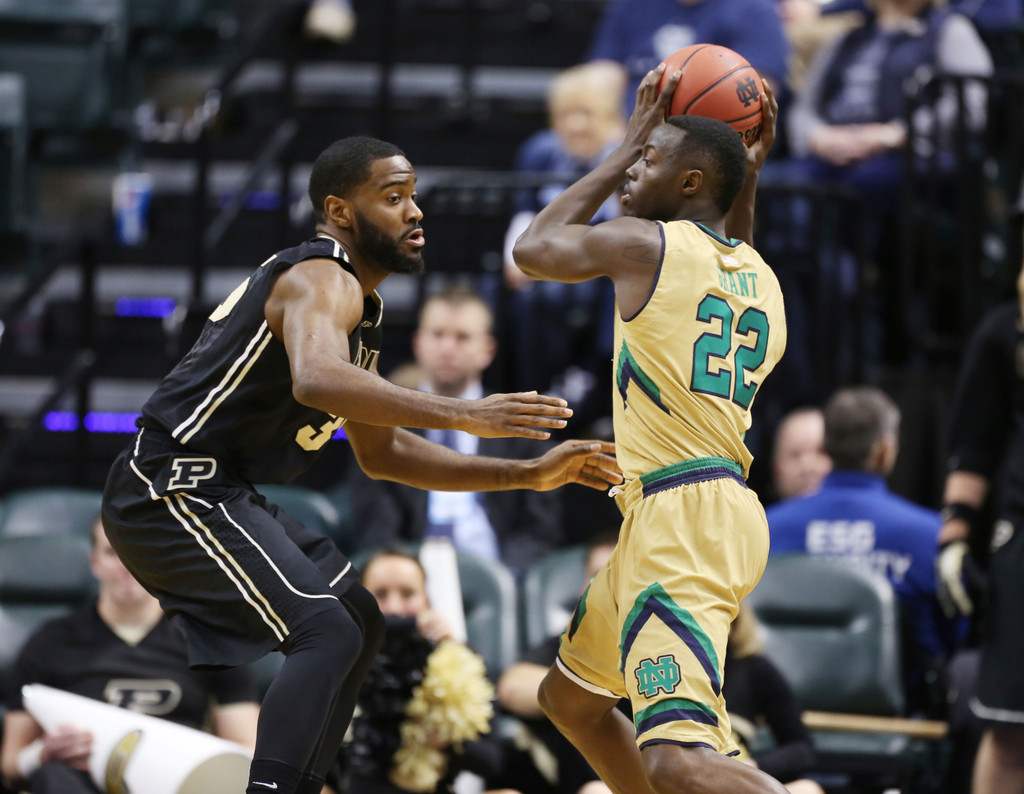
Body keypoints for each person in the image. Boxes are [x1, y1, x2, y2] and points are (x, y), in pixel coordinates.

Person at [99, 135, 622, 794]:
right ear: (341, 211)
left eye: (414, 196)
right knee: (324, 629)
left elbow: (385, 452)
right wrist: (465, 414)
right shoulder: (323, 275)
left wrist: (527, 472)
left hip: (218, 487)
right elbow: (317, 381)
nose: (415, 212)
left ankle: (310, 782)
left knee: (359, 618)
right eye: (394, 197)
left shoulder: (359, 310)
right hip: (168, 484)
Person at [513, 63, 789, 794]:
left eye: (651, 160)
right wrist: (747, 174)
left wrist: (621, 140)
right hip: (684, 509)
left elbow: (534, 249)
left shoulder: (647, 246)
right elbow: (737, 233)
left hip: (685, 515)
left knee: (677, 758)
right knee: (568, 701)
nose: (637, 167)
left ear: (693, 183)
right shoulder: (760, 275)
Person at [0, 519, 259, 794]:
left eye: (140, 552)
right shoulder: (51, 641)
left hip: (176, 780)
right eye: (113, 553)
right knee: (53, 775)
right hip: (81, 781)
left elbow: (247, 751)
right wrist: (40, 755)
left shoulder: (209, 640)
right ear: (95, 562)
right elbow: (10, 766)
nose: (128, 566)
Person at [347, 289, 566, 576]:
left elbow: (539, 532)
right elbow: (375, 524)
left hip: (499, 580)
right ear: (418, 343)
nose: (448, 348)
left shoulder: (523, 429)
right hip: (410, 581)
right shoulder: (382, 421)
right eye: (438, 335)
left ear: (488, 351)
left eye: (462, 337)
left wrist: (502, 584)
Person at [766, 386, 953, 715]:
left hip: (780, 720)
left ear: (826, 447)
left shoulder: (765, 528)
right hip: (898, 721)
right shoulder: (931, 534)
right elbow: (953, 633)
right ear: (884, 451)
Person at [935, 232, 1024, 794]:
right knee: (1011, 726)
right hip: (1021, 538)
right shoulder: (1005, 330)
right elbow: (974, 443)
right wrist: (954, 537)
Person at [501, 62, 626, 412]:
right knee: (529, 297)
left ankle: (599, 391)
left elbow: (629, 224)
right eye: (566, 114)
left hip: (606, 267)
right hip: (553, 263)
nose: (575, 125)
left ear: (608, 117)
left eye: (586, 113)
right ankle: (536, 392)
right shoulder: (540, 153)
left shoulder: (624, 156)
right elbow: (524, 213)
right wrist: (514, 256)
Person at [336, 548, 506, 794]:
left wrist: (447, 739)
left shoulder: (459, 660)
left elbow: (492, 761)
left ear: (427, 600)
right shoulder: (337, 662)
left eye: (408, 594)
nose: (394, 607)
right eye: (380, 594)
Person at [496, 533, 619, 794]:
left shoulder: (678, 647)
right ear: (581, 588)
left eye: (617, 575)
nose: (603, 587)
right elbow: (512, 687)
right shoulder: (570, 643)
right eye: (595, 575)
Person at [586, 0, 789, 112]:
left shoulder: (753, 9)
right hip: (627, 129)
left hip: (707, 130)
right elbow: (603, 72)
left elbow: (758, 88)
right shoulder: (631, 6)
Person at [725, 603, 824, 794]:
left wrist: (751, 767)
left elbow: (802, 749)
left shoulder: (753, 669)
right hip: (671, 778)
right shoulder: (663, 662)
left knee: (807, 790)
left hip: (733, 778)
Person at [770, 406, 831, 502]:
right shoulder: (762, 517)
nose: (808, 466)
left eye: (821, 452)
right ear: (776, 468)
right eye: (795, 454)